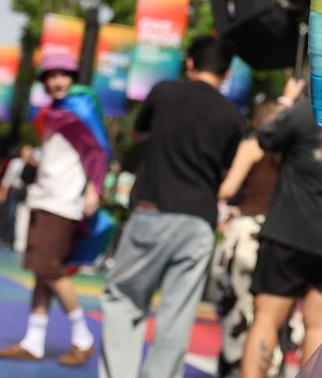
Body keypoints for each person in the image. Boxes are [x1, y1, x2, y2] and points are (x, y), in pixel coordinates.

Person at [98, 35, 246, 378]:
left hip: (154, 207)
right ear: (225, 74)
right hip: (198, 220)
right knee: (178, 314)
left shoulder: (164, 92)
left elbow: (138, 133)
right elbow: (223, 169)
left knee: (126, 298)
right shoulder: (233, 117)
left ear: (190, 63)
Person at [240, 77, 322, 378]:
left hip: (291, 233)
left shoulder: (307, 111)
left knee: (268, 318)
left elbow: (266, 136)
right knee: (319, 325)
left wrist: (287, 100)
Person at [0, 53, 109, 367]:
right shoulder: (54, 112)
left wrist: (93, 188)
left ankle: (83, 336)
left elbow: (98, 150)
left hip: (62, 202)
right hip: (44, 198)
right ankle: (34, 340)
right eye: (51, 75)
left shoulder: (77, 112)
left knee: (52, 270)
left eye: (64, 74)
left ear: (73, 78)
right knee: (42, 272)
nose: (57, 81)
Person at [214, 99, 284, 378]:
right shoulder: (292, 153)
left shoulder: (252, 147)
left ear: (257, 122)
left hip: (246, 234)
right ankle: (270, 367)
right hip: (278, 236)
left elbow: (228, 188)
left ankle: (235, 365)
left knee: (237, 309)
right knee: (268, 312)